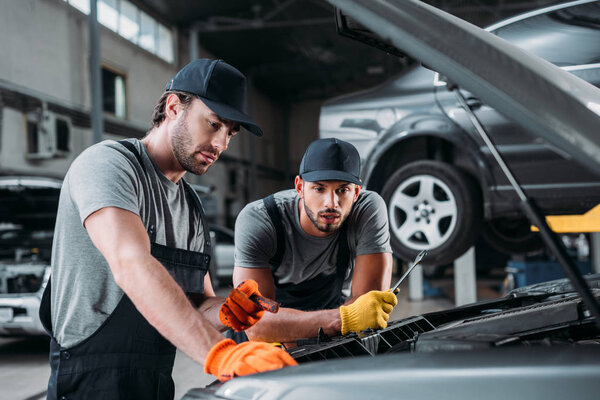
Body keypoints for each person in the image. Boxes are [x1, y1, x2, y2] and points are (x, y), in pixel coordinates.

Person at [40, 59, 296, 400]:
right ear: (174, 107)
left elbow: (196, 304)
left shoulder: (191, 205)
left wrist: (225, 310)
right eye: (214, 124)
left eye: (230, 133)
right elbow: (131, 263)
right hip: (89, 383)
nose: (221, 144)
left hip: (156, 383)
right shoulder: (109, 165)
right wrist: (220, 353)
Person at [232, 138, 398, 343]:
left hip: (327, 334)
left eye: (342, 190)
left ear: (356, 192)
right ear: (299, 187)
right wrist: (342, 319)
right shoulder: (259, 220)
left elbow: (366, 312)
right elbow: (256, 325)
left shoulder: (367, 210)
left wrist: (340, 321)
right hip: (260, 345)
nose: (331, 203)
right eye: (319, 189)